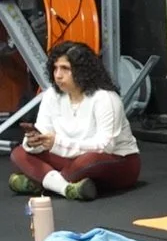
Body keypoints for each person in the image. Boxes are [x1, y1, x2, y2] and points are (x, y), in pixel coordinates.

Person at [8, 42, 141, 201]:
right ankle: (66, 188)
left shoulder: (105, 98)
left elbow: (105, 146)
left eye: (65, 69)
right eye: (55, 68)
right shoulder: (51, 95)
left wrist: (56, 144)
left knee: (87, 162)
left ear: (82, 71)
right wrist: (33, 143)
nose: (58, 75)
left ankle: (42, 181)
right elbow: (44, 132)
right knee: (19, 153)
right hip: (69, 159)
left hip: (115, 160)